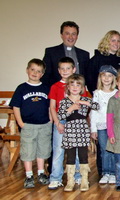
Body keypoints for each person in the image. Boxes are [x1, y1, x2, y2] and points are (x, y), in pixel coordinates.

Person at [10, 59, 52, 188]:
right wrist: (21, 123)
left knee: (42, 150)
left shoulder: (46, 88)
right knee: (27, 151)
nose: (35, 73)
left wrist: (50, 120)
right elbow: (16, 106)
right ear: (27, 70)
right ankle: (29, 175)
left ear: (42, 74)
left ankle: (40, 173)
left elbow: (51, 105)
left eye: (39, 71)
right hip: (28, 125)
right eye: (32, 69)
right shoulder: (22, 88)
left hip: (44, 124)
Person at [48, 57, 88, 190]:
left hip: (76, 123)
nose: (65, 71)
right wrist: (58, 122)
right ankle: (55, 178)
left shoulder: (80, 87)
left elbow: (87, 105)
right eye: (62, 69)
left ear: (74, 69)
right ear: (59, 70)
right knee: (59, 150)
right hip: (61, 121)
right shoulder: (55, 87)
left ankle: (77, 176)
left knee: (76, 151)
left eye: (68, 68)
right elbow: (53, 107)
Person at [58, 74, 99, 192]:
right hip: (70, 130)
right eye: (72, 84)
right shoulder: (64, 101)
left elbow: (97, 106)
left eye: (78, 85)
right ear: (68, 87)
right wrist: (71, 108)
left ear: (82, 88)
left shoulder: (85, 99)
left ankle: (84, 179)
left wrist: (85, 103)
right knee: (70, 156)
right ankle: (70, 180)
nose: (75, 87)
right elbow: (60, 115)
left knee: (83, 155)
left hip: (82, 130)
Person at [90, 65, 118, 184]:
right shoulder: (97, 93)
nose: (106, 78)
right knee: (104, 150)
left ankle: (113, 173)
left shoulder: (117, 93)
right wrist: (93, 129)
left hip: (115, 127)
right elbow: (94, 112)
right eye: (104, 75)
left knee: (113, 149)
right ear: (100, 77)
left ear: (113, 78)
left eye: (109, 76)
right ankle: (106, 173)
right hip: (101, 126)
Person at [42, 21, 89, 88]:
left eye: (73, 34)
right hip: (57, 93)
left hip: (78, 94)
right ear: (61, 35)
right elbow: (45, 76)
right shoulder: (51, 52)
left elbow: (88, 77)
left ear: (77, 36)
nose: (70, 37)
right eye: (67, 33)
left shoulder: (84, 55)